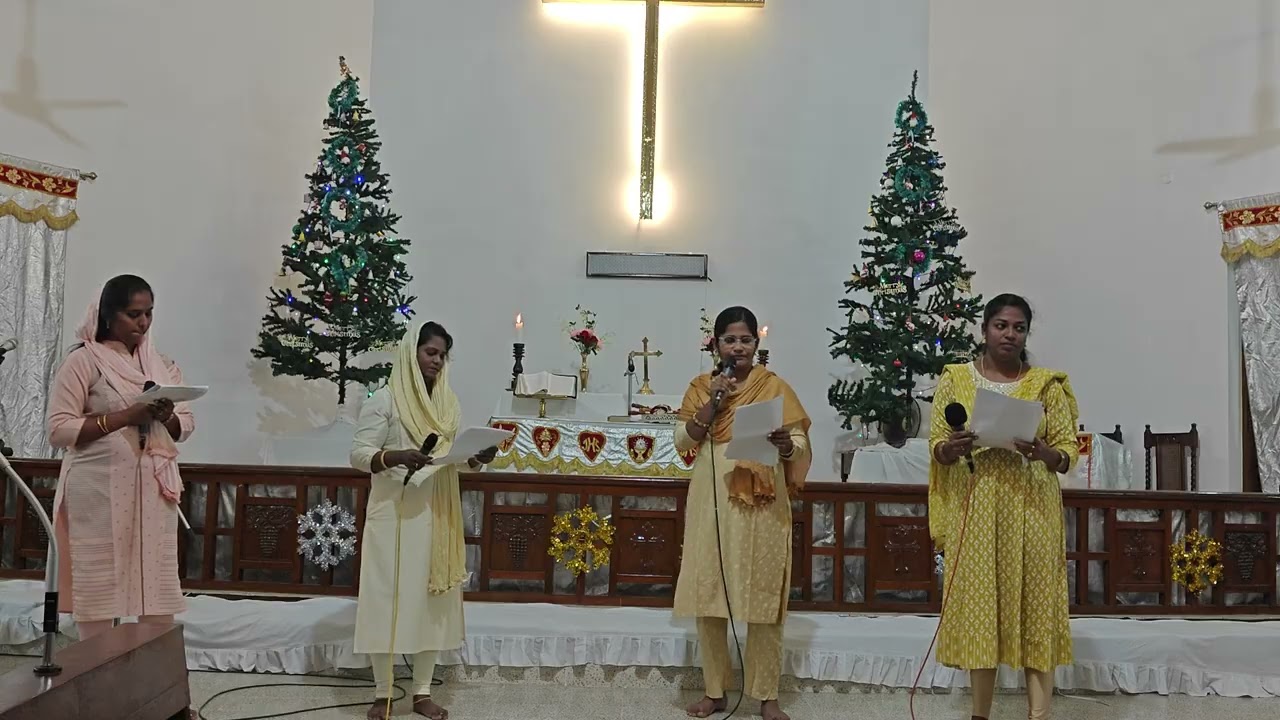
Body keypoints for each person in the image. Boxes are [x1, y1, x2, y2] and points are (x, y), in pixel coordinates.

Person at [928, 294, 1078, 720]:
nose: (1009, 334)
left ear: (1026, 333)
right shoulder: (956, 379)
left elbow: (1067, 450)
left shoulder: (1047, 385)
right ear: (984, 328)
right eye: (1001, 325)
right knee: (980, 611)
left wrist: (1044, 453)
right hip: (975, 510)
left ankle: (1039, 713)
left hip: (1032, 509)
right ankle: (980, 713)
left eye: (1018, 327)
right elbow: (936, 446)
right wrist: (950, 448)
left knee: (1036, 606)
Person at [350, 320, 497, 720]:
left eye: (442, 355)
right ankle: (382, 694)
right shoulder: (386, 400)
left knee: (432, 603)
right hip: (393, 515)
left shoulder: (448, 405)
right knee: (387, 600)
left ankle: (422, 692)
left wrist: (476, 458)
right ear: (411, 352)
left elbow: (453, 460)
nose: (436, 361)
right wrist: (397, 456)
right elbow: (359, 454)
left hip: (436, 513)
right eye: (430, 352)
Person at [674, 306, 811, 720]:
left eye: (746, 339)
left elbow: (800, 444)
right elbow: (683, 442)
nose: (738, 347)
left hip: (763, 496)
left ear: (756, 343)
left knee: (764, 595)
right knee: (709, 592)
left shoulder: (774, 387)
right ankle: (714, 691)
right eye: (730, 339)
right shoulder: (701, 387)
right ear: (716, 344)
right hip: (712, 492)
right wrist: (713, 404)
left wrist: (787, 445)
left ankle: (767, 695)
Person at [48, 275, 196, 639]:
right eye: (134, 314)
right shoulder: (84, 360)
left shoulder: (160, 365)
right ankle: (96, 677)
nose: (143, 323)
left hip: (152, 490)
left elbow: (187, 424)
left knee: (155, 588)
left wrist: (166, 416)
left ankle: (151, 686)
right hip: (98, 488)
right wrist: (125, 418)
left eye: (148, 314)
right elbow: (59, 429)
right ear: (108, 315)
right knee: (99, 587)